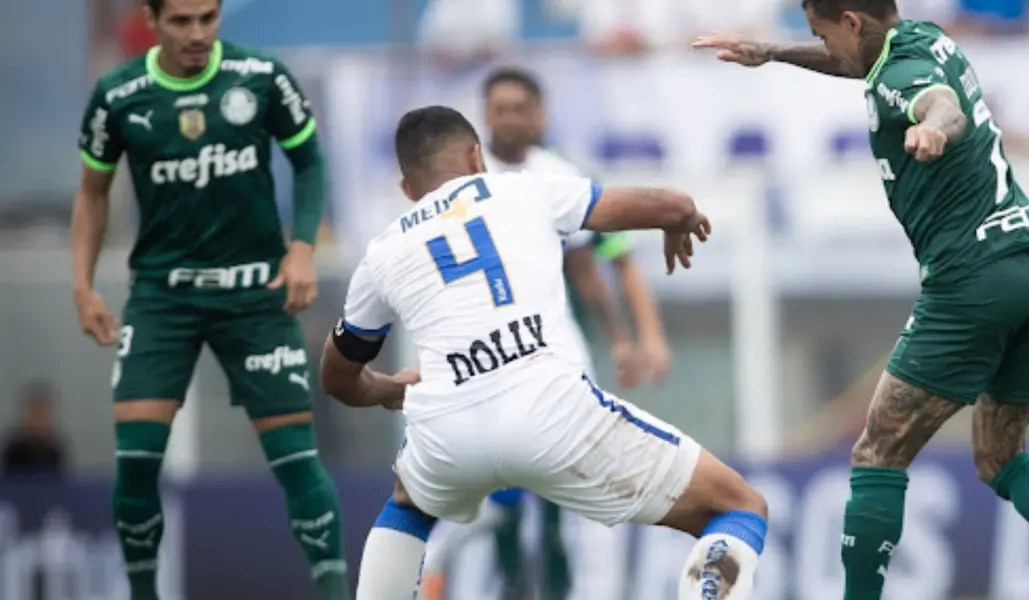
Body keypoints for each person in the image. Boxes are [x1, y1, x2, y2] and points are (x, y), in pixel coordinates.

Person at [694, 5, 1029, 600]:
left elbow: (941, 105)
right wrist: (772, 52)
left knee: (877, 452)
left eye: (822, 34)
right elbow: (866, 67)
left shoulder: (902, 78)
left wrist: (934, 130)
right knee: (1001, 455)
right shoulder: (920, 39)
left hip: (973, 279)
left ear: (852, 22)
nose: (824, 46)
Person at [320, 105, 768, 600]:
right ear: (476, 158)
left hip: (448, 429)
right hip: (552, 414)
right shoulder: (526, 188)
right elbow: (669, 203)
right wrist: (679, 220)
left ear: (406, 189)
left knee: (409, 503)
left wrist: (388, 388)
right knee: (738, 506)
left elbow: (337, 378)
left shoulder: (383, 251)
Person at [71, 1, 350, 599]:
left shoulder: (261, 76)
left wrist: (303, 246)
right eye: (181, 21)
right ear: (151, 20)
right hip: (162, 298)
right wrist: (82, 285)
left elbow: (309, 161)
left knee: (297, 459)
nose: (197, 33)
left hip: (256, 295)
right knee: (137, 462)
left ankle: (335, 592)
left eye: (208, 17)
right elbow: (93, 191)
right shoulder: (119, 95)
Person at [419, 66, 674, 600]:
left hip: (553, 353)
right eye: (499, 109)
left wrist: (627, 339)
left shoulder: (560, 177)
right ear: (483, 117)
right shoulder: (460, 184)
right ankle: (495, 579)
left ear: (540, 114)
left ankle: (555, 587)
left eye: (519, 108)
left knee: (560, 490)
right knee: (499, 490)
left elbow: (597, 266)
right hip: (486, 358)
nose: (509, 119)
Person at [1, 382, 69, 478]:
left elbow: (60, 482)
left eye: (43, 414)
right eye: (35, 412)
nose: (39, 420)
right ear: (27, 415)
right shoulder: (13, 450)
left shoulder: (55, 451)